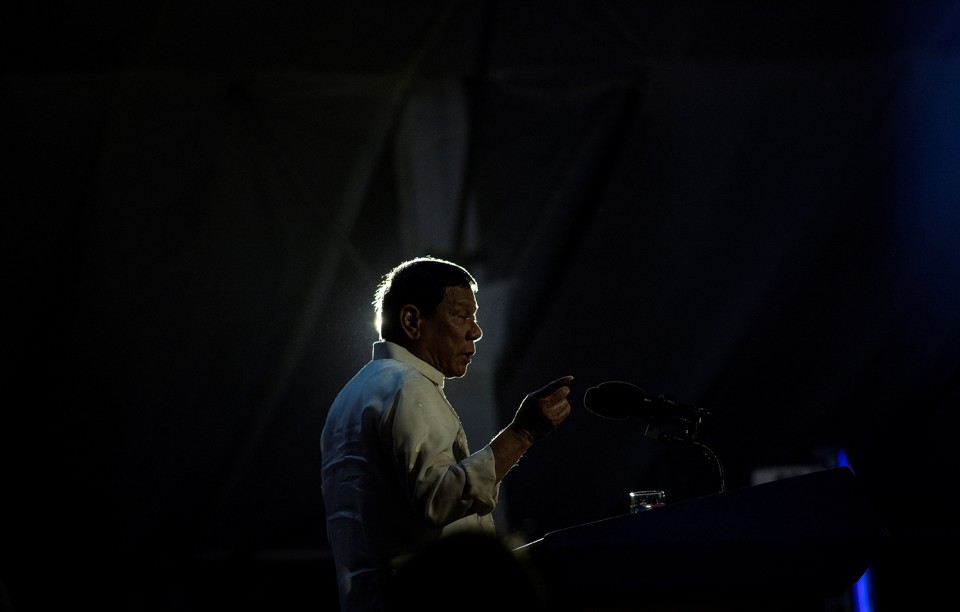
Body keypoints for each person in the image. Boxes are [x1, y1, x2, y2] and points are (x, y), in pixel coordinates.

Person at [321, 255, 573, 612]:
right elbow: (440, 499)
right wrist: (523, 433)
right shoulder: (407, 388)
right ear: (412, 321)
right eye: (462, 316)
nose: (476, 331)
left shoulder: (354, 394)